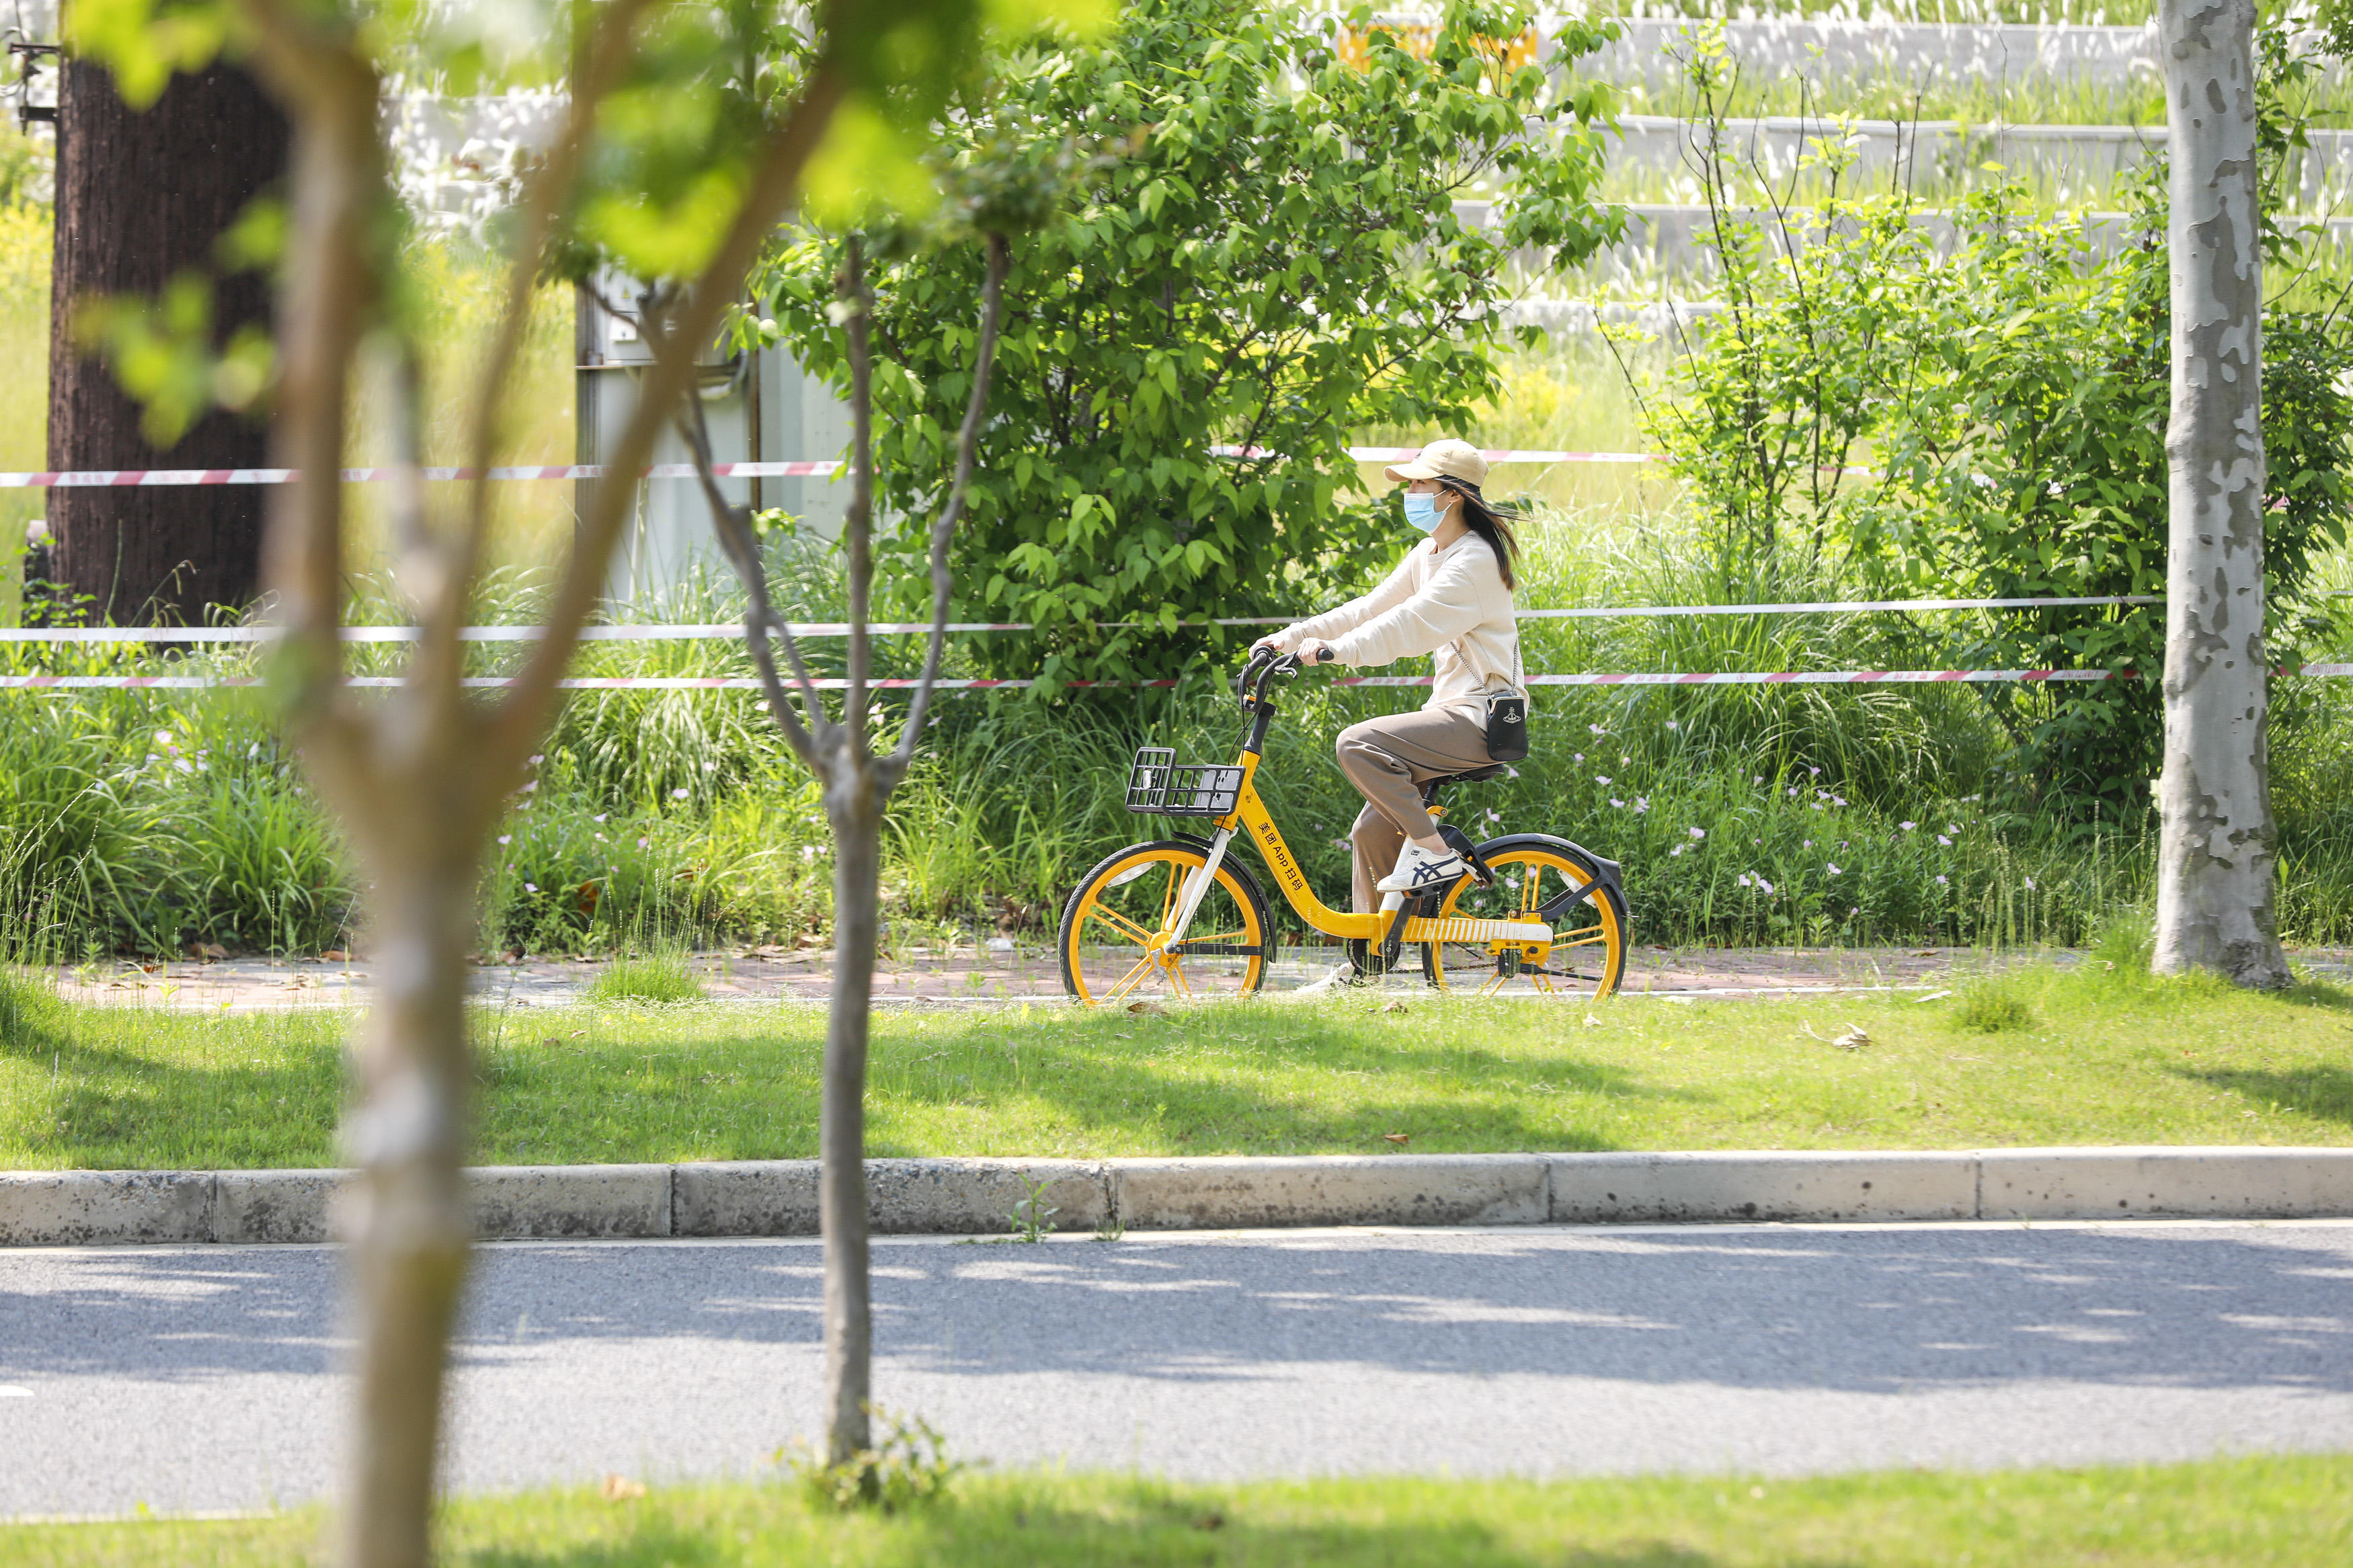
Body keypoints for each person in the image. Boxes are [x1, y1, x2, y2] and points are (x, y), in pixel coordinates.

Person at [1254, 437, 1527, 915]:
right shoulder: (1430, 552)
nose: (1410, 491)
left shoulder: (1475, 561)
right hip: (1448, 714)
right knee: (1370, 832)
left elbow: (1411, 623)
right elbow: (1370, 607)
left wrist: (1339, 651)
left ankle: (1436, 854)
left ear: (1454, 494)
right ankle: (1371, 962)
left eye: (1420, 482)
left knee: (1357, 743)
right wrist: (1292, 636)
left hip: (1480, 719)